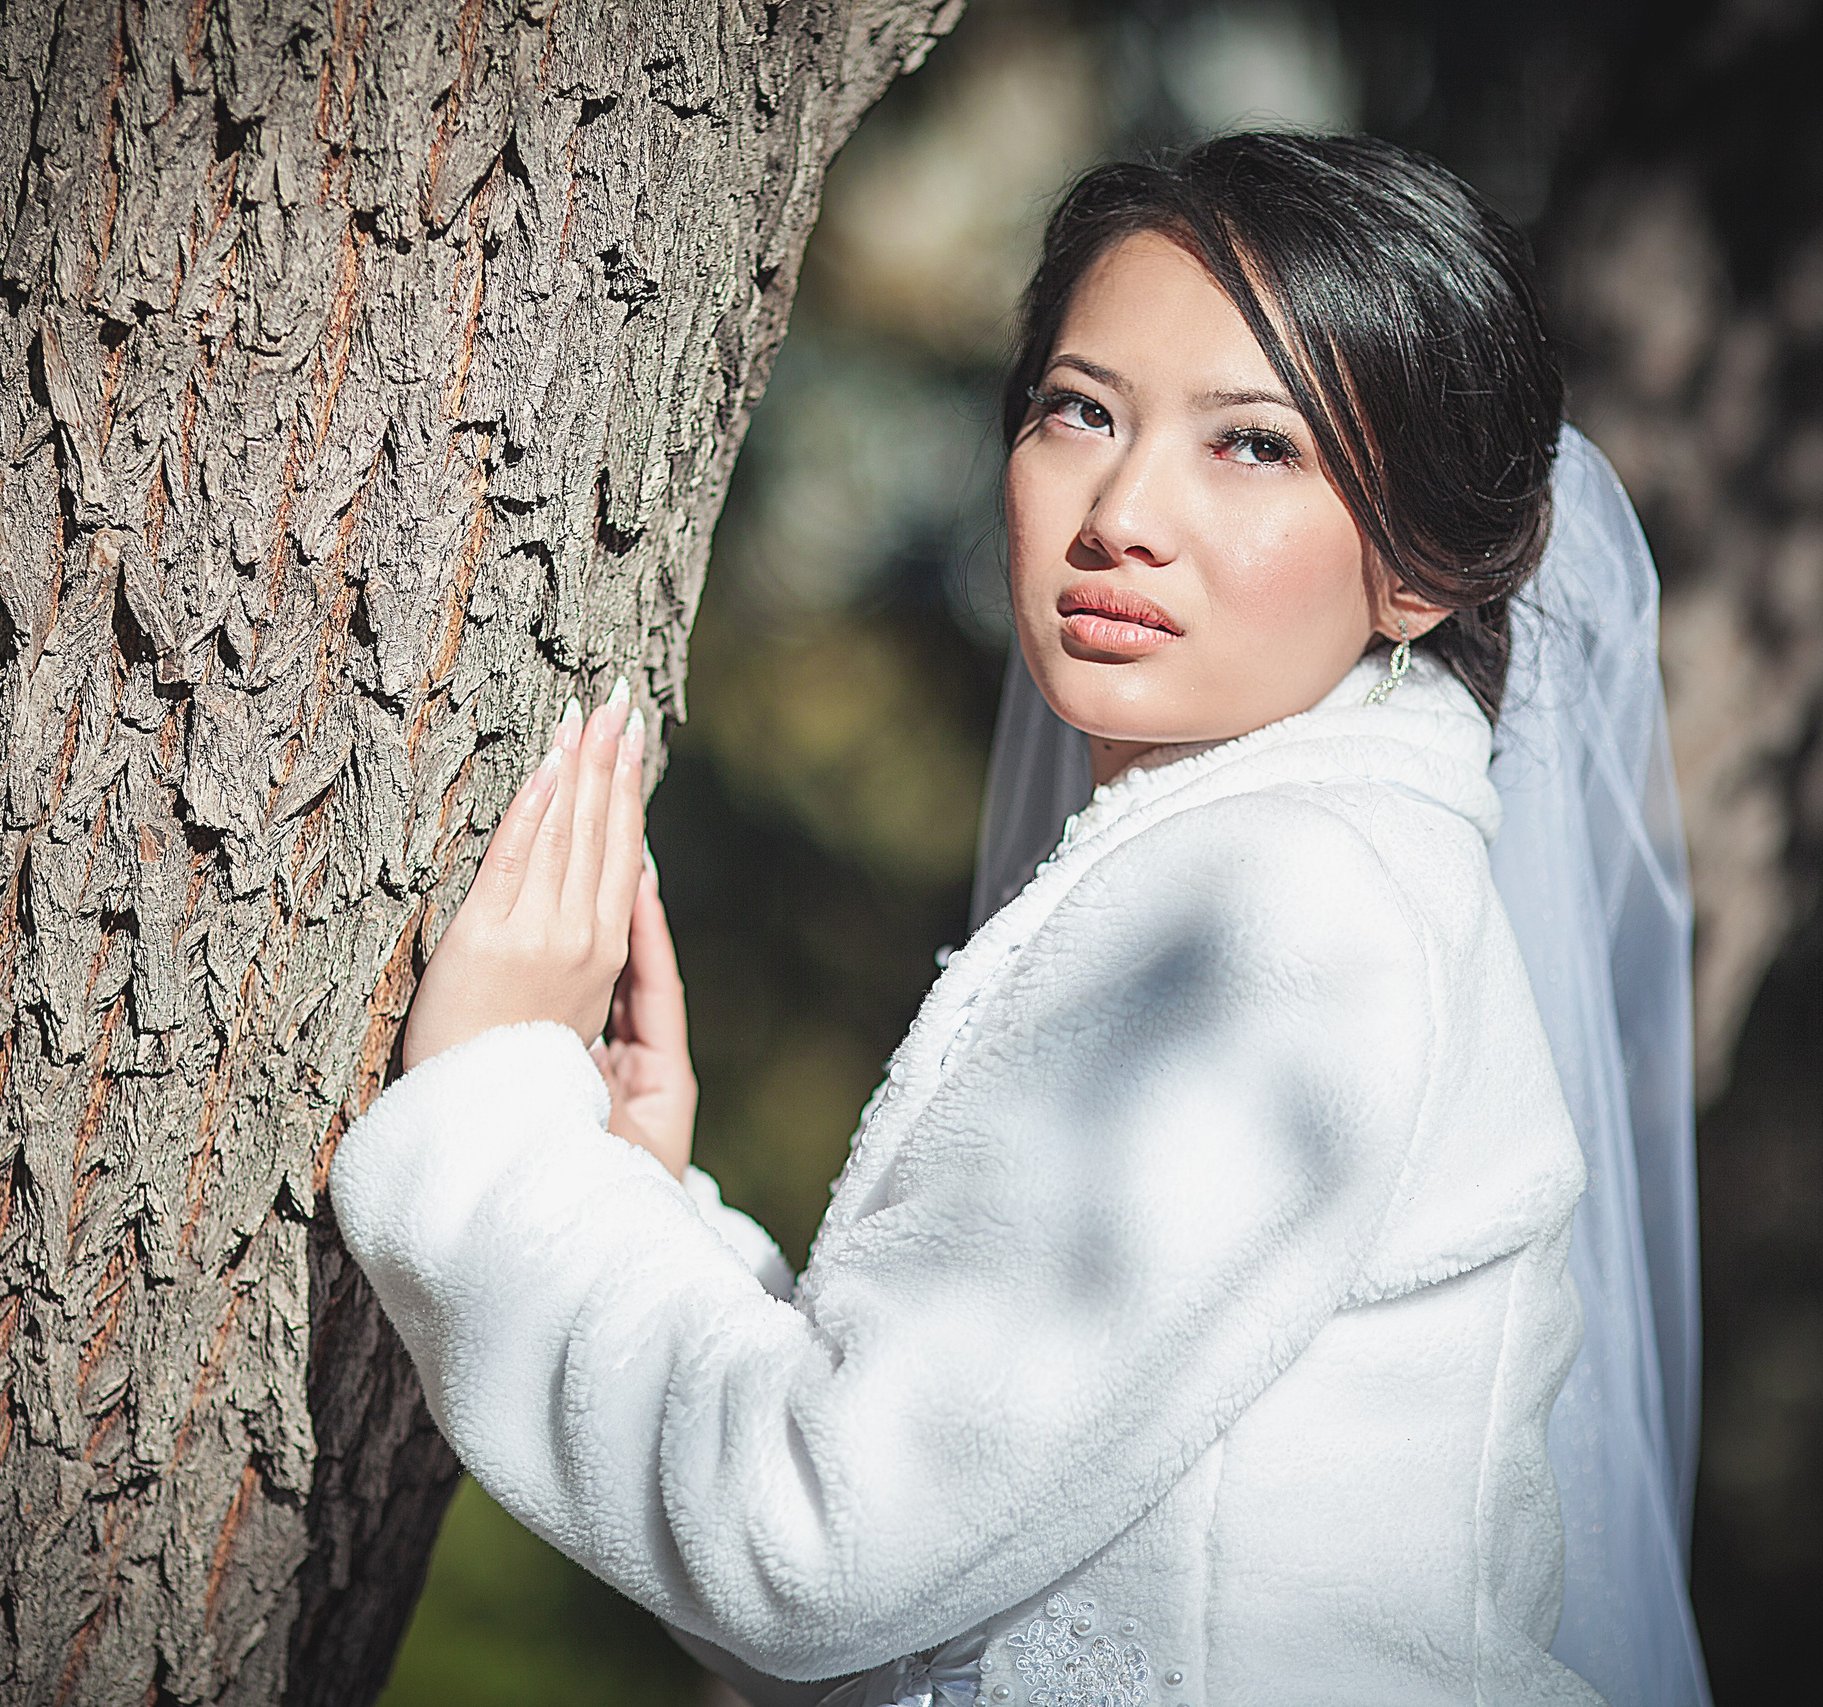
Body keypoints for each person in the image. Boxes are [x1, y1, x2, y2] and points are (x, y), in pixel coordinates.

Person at [332, 132, 1706, 1705]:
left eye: (1253, 447)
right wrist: (640, 1210)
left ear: (1422, 570)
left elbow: (811, 1544)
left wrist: (491, 1124)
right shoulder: (1305, 864)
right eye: (1081, 409)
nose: (1122, 511)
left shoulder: (1293, 912)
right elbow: (936, 1583)